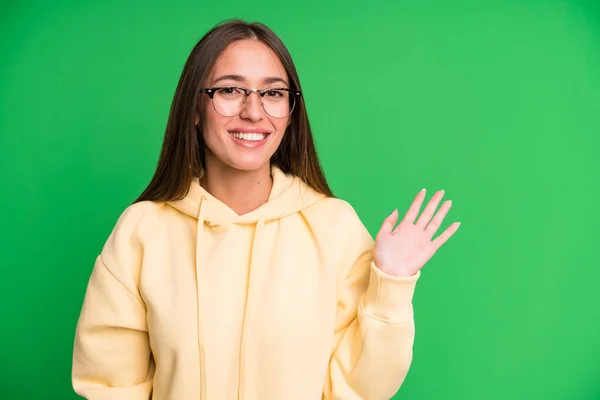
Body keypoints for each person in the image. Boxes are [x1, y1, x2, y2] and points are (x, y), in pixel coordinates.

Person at [71, 19, 460, 400]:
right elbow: (110, 385)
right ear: (194, 108)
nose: (254, 112)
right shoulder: (141, 232)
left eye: (273, 94)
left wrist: (390, 283)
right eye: (230, 90)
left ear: (290, 114)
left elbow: (360, 390)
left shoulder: (335, 228)